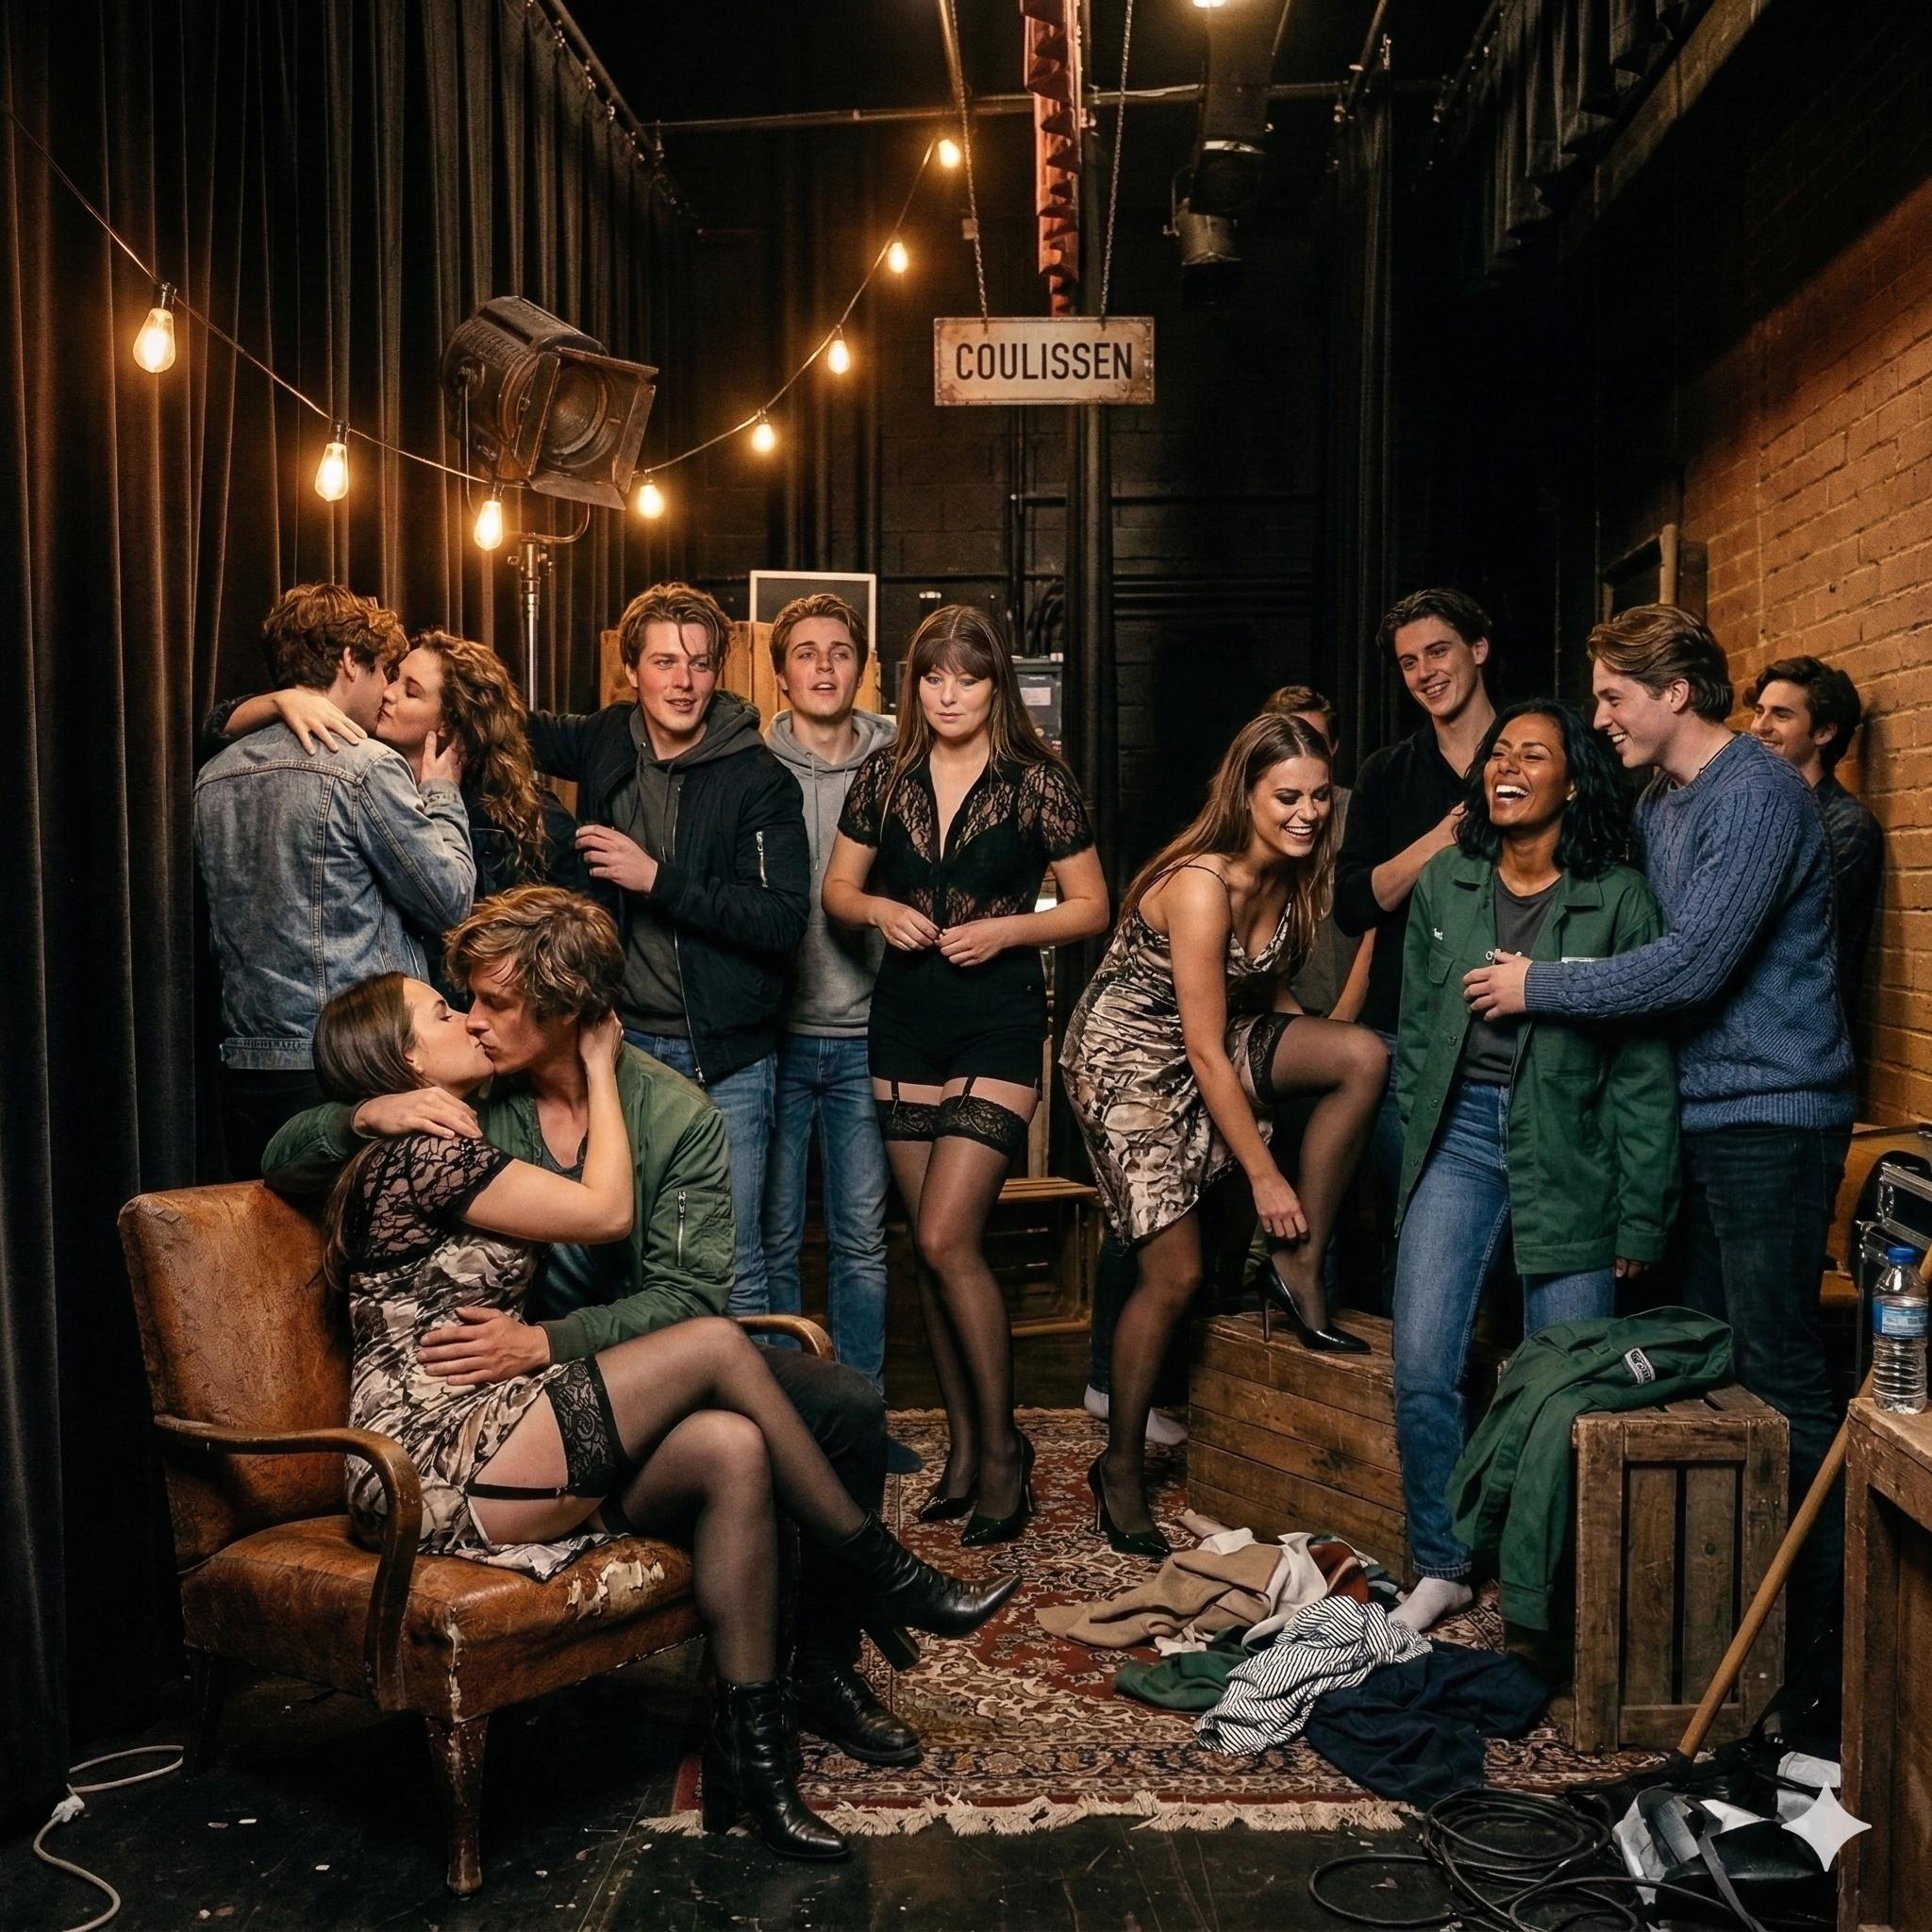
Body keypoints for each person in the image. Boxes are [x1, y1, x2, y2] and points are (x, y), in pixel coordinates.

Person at [307, 945, 1013, 1862]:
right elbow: (602, 1212)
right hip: (427, 1455)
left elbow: (682, 1288)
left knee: (730, 1446)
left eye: (479, 1003)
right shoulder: (425, 1150)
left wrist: (544, 1336)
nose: (468, 1017)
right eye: (444, 1012)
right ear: (403, 1061)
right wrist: (365, 1107)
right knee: (720, 1347)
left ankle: (754, 1762)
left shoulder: (644, 1112)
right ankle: (882, 1570)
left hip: (513, 1418)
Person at [1464, 606, 1853, 1658]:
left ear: (1674, 692)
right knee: (1711, 1369)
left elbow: (1692, 966)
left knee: (1777, 1375)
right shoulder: (1662, 799)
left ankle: (1822, 1653)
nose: (1599, 716)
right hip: (1704, 1115)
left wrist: (1539, 984)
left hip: (1772, 1119)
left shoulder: (1755, 793)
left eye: (1612, 696)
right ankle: (1728, 1635)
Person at [1061, 713, 1389, 1556]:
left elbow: (1259, 996)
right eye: (1287, 798)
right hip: (1127, 1062)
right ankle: (1120, 1467)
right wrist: (1267, 1175)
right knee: (1175, 1276)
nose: (1308, 813)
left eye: (1319, 797)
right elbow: (1204, 1052)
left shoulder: (1295, 873)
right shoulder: (1202, 882)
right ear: (1245, 795)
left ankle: (1297, 1265)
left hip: (1210, 1036)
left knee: (1359, 1055)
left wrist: (1302, 1049)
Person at [823, 605, 1110, 1545]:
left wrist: (1007, 929)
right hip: (903, 1022)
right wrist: (878, 911)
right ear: (914, 684)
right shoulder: (883, 774)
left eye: (969, 677)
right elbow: (837, 889)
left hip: (996, 1021)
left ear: (996, 686)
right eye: (933, 676)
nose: (949, 695)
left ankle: (1002, 1451)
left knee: (950, 1238)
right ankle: (960, 1449)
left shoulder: (1038, 781)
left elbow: (1092, 906)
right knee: (928, 1248)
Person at [1390, 701, 1679, 1632]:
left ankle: (1539, 1589)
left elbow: (1642, 1069)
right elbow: (1415, 1032)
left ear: (1574, 782)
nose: (1507, 766)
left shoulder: (1619, 898)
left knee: (1564, 1390)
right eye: (1498, 752)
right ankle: (1441, 1562)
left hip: (1571, 1147)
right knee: (1422, 1361)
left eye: (1533, 754)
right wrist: (1418, 1143)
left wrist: (1640, 1212)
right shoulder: (1446, 879)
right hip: (1461, 1137)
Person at [526, 581, 811, 1317]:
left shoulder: (758, 778)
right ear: (631, 670)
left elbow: (781, 919)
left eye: (699, 663)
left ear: (718, 671)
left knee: (731, 1264)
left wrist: (657, 879)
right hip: (622, 1046)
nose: (683, 682)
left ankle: (756, 1396)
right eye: (663, 662)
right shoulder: (607, 738)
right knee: (626, 1260)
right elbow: (500, 722)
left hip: (727, 1056)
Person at [194, 583, 475, 1177]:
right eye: (384, 672)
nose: (385, 691)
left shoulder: (214, 774)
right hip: (348, 1062)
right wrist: (442, 794)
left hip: (249, 1063)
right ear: (350, 661)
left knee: (270, 1232)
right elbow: (450, 900)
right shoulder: (364, 766)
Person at [1333, 591, 1499, 1281]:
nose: (1426, 672)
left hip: (1509, 1032)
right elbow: (1351, 904)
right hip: (1408, 1033)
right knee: (1417, 1229)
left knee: (1514, 1241)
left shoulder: (1534, 752)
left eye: (1438, 651)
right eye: (1409, 663)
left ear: (1477, 649)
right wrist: (1437, 841)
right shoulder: (1386, 774)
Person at [760, 593, 897, 1391]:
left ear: (863, 668)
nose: (823, 667)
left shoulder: (899, 761)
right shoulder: (752, 763)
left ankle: (861, 1406)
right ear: (780, 675)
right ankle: (791, 1408)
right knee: (773, 1238)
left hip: (869, 1034)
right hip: (774, 1037)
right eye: (805, 653)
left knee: (861, 1241)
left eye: (840, 652)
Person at [208, 628, 593, 904]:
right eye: (393, 677)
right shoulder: (373, 777)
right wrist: (282, 700)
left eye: (410, 691)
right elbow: (216, 728)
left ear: (449, 722)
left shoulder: (518, 816)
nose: (388, 693)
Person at [1750, 655, 1885, 1025]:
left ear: (1824, 733)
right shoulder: (1764, 813)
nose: (1760, 726)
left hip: (1802, 1033)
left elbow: (1777, 930)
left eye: (1781, 715)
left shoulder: (1848, 826)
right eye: (1759, 711)